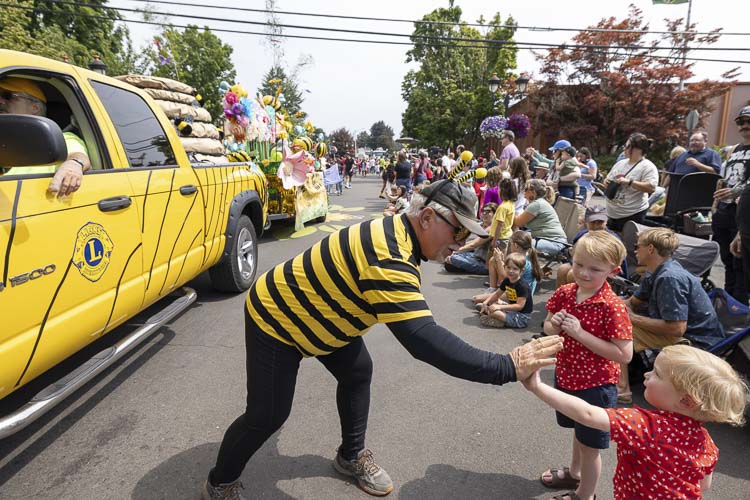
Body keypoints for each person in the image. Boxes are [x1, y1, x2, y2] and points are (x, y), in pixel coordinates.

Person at [201, 179, 565, 500]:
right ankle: (220, 483)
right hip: (278, 317)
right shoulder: (389, 255)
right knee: (267, 415)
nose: (461, 244)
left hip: (326, 315)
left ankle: (350, 455)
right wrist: (507, 365)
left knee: (357, 372)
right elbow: (424, 340)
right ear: (426, 219)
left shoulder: (401, 233)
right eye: (457, 233)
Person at [522, 345, 749, 500]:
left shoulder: (645, 425)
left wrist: (537, 387)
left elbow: (588, 415)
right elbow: (704, 486)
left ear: (686, 401)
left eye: (657, 374)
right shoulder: (707, 444)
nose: (647, 375)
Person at [539, 230, 633, 500]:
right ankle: (575, 473)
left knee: (591, 446)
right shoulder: (566, 292)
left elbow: (623, 354)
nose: (583, 273)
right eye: (579, 264)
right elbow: (547, 327)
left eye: (595, 269)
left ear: (612, 271)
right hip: (568, 376)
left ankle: (585, 495)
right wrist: (553, 326)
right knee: (579, 434)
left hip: (596, 386)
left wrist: (581, 334)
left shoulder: (612, 307)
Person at [617, 228, 724, 404]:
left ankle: (622, 389)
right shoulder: (655, 271)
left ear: (650, 248)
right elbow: (631, 302)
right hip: (682, 334)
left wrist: (630, 317)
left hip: (696, 341)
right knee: (615, 317)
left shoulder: (669, 278)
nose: (635, 250)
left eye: (637, 246)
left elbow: (677, 328)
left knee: (619, 325)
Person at [0, 77, 90, 196]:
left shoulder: (59, 138)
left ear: (35, 108)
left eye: (8, 96)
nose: (0, 101)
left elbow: (78, 156)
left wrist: (73, 165)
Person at [716, 106, 750, 305]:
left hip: (744, 214)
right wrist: (714, 206)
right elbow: (722, 179)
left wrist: (736, 192)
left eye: (748, 122)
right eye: (741, 122)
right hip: (724, 211)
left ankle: (740, 307)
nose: (745, 126)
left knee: (741, 263)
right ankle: (728, 305)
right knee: (727, 259)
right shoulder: (735, 150)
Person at [556, 206, 627, 288]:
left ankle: (580, 299)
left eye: (600, 222)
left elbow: (620, 266)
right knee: (563, 269)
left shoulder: (612, 240)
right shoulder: (582, 235)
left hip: (605, 271)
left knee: (572, 275)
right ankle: (561, 298)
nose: (596, 226)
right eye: (592, 222)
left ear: (606, 222)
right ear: (586, 222)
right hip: (584, 265)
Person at [603, 133, 659, 232]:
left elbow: (651, 187)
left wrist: (629, 182)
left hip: (632, 214)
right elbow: (607, 179)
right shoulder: (620, 163)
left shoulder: (648, 166)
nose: (624, 149)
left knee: (628, 244)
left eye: (628, 146)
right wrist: (607, 182)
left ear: (639, 149)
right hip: (611, 214)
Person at [514, 178, 569, 256]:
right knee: (518, 237)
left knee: (518, 244)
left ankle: (522, 267)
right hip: (548, 239)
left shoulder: (537, 204)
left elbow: (518, 222)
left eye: (526, 189)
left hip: (554, 242)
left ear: (532, 192)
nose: (524, 192)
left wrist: (508, 209)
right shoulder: (539, 202)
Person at [479, 253, 533, 329]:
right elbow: (497, 294)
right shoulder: (507, 280)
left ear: (521, 271)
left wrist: (499, 307)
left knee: (495, 311)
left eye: (515, 269)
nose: (511, 271)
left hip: (521, 317)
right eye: (508, 267)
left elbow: (519, 306)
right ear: (504, 267)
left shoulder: (522, 286)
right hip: (512, 310)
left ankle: (495, 318)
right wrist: (486, 302)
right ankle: (488, 310)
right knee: (493, 302)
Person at [444, 202, 497, 275]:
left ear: (495, 214)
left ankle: (464, 266)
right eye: (483, 211)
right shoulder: (483, 225)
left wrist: (455, 251)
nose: (484, 214)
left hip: (484, 263)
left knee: (452, 259)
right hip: (476, 256)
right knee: (450, 257)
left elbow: (473, 245)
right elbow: (471, 242)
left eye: (488, 212)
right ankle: (461, 265)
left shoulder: (492, 228)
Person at [488, 178, 517, 255]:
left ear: (502, 191)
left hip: (500, 238)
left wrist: (494, 241)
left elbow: (499, 225)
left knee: (493, 261)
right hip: (506, 236)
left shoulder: (503, 207)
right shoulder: (511, 204)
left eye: (499, 188)